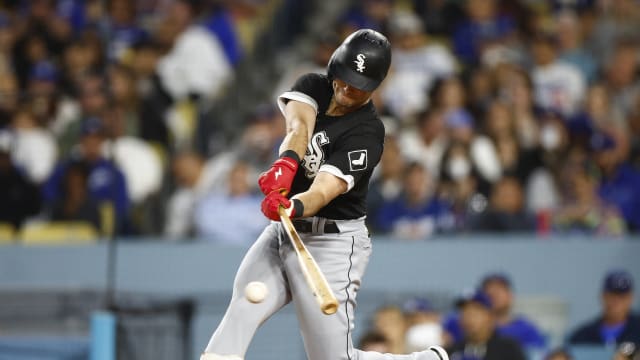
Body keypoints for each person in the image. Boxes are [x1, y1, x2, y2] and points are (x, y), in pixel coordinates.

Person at [201, 29, 448, 360]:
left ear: (374, 86)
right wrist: (285, 167)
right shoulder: (314, 85)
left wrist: (294, 204)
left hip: (333, 243)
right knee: (245, 305)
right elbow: (298, 128)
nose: (347, 89)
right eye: (345, 78)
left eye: (358, 86)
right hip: (285, 234)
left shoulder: (368, 133)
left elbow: (324, 190)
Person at [443, 273, 546, 350]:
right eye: (465, 312)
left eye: (498, 291)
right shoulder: (453, 330)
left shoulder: (514, 342)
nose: (469, 317)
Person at [447, 290, 527, 360]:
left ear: (490, 316)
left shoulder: (508, 349)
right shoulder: (452, 351)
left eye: (475, 312)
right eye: (464, 312)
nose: (468, 318)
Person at [569, 269, 640, 346]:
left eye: (622, 296)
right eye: (612, 295)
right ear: (602, 296)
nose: (616, 300)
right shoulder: (582, 336)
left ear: (631, 298)